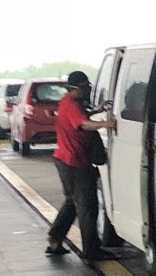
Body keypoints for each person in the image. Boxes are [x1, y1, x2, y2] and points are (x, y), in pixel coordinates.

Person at [46, 70, 112, 260]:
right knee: (88, 206)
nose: (88, 90)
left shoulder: (70, 102)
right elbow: (83, 124)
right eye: (85, 87)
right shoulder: (72, 105)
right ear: (74, 88)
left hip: (67, 160)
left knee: (72, 203)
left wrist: (97, 111)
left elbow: (80, 117)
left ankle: (54, 239)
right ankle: (91, 250)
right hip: (73, 163)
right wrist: (105, 124)